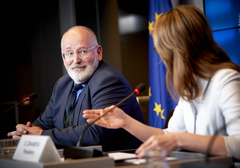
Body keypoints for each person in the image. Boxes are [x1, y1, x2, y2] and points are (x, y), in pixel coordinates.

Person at [83, 5, 240, 159]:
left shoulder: (226, 80)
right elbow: (168, 136)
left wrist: (181, 139)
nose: (162, 59)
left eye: (162, 51)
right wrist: (125, 122)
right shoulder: (191, 87)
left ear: (179, 50)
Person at [7, 26, 145, 151]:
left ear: (98, 52)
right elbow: (44, 123)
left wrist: (41, 135)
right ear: (63, 57)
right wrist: (25, 132)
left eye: (83, 51)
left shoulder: (110, 81)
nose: (76, 60)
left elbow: (94, 133)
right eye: (69, 53)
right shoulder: (62, 84)